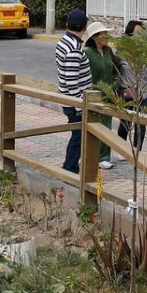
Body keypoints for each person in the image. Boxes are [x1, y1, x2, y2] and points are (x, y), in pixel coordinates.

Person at [116, 20, 147, 153]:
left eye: (142, 33)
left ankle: (137, 151)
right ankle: (121, 149)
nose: (140, 36)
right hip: (127, 93)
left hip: (144, 94)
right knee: (125, 122)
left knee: (140, 125)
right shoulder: (122, 52)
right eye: (137, 33)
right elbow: (115, 72)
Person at [55, 10, 92, 174]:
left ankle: (72, 167)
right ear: (85, 27)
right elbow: (71, 81)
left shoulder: (64, 41)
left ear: (66, 25)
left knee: (78, 135)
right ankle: (70, 168)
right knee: (79, 136)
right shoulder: (74, 49)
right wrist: (79, 107)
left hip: (67, 97)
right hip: (74, 101)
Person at [83, 21, 120, 169]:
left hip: (109, 96)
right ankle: (90, 155)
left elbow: (117, 73)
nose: (107, 37)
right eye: (104, 35)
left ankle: (104, 157)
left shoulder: (109, 52)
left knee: (106, 125)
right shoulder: (87, 53)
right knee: (92, 125)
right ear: (95, 37)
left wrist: (113, 87)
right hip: (93, 96)